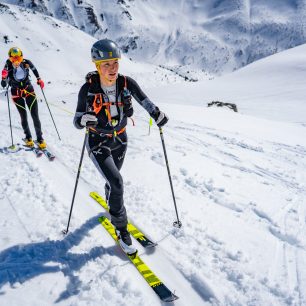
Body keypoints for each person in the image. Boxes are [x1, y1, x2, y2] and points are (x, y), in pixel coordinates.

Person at [73, 39, 168, 255]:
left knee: (113, 179)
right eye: (106, 64)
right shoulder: (87, 90)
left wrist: (157, 114)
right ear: (96, 65)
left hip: (121, 140)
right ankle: (121, 229)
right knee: (117, 182)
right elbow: (77, 120)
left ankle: (110, 196)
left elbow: (145, 101)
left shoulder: (126, 83)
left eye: (115, 62)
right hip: (98, 142)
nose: (112, 68)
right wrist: (84, 119)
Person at [1, 47, 46, 149]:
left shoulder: (26, 62)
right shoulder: (8, 65)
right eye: (14, 58)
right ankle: (28, 138)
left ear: (21, 56)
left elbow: (34, 69)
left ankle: (40, 139)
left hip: (29, 91)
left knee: (35, 115)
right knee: (23, 116)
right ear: (11, 58)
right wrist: (3, 78)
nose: (16, 60)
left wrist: (39, 79)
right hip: (16, 93)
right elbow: (3, 83)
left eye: (18, 57)